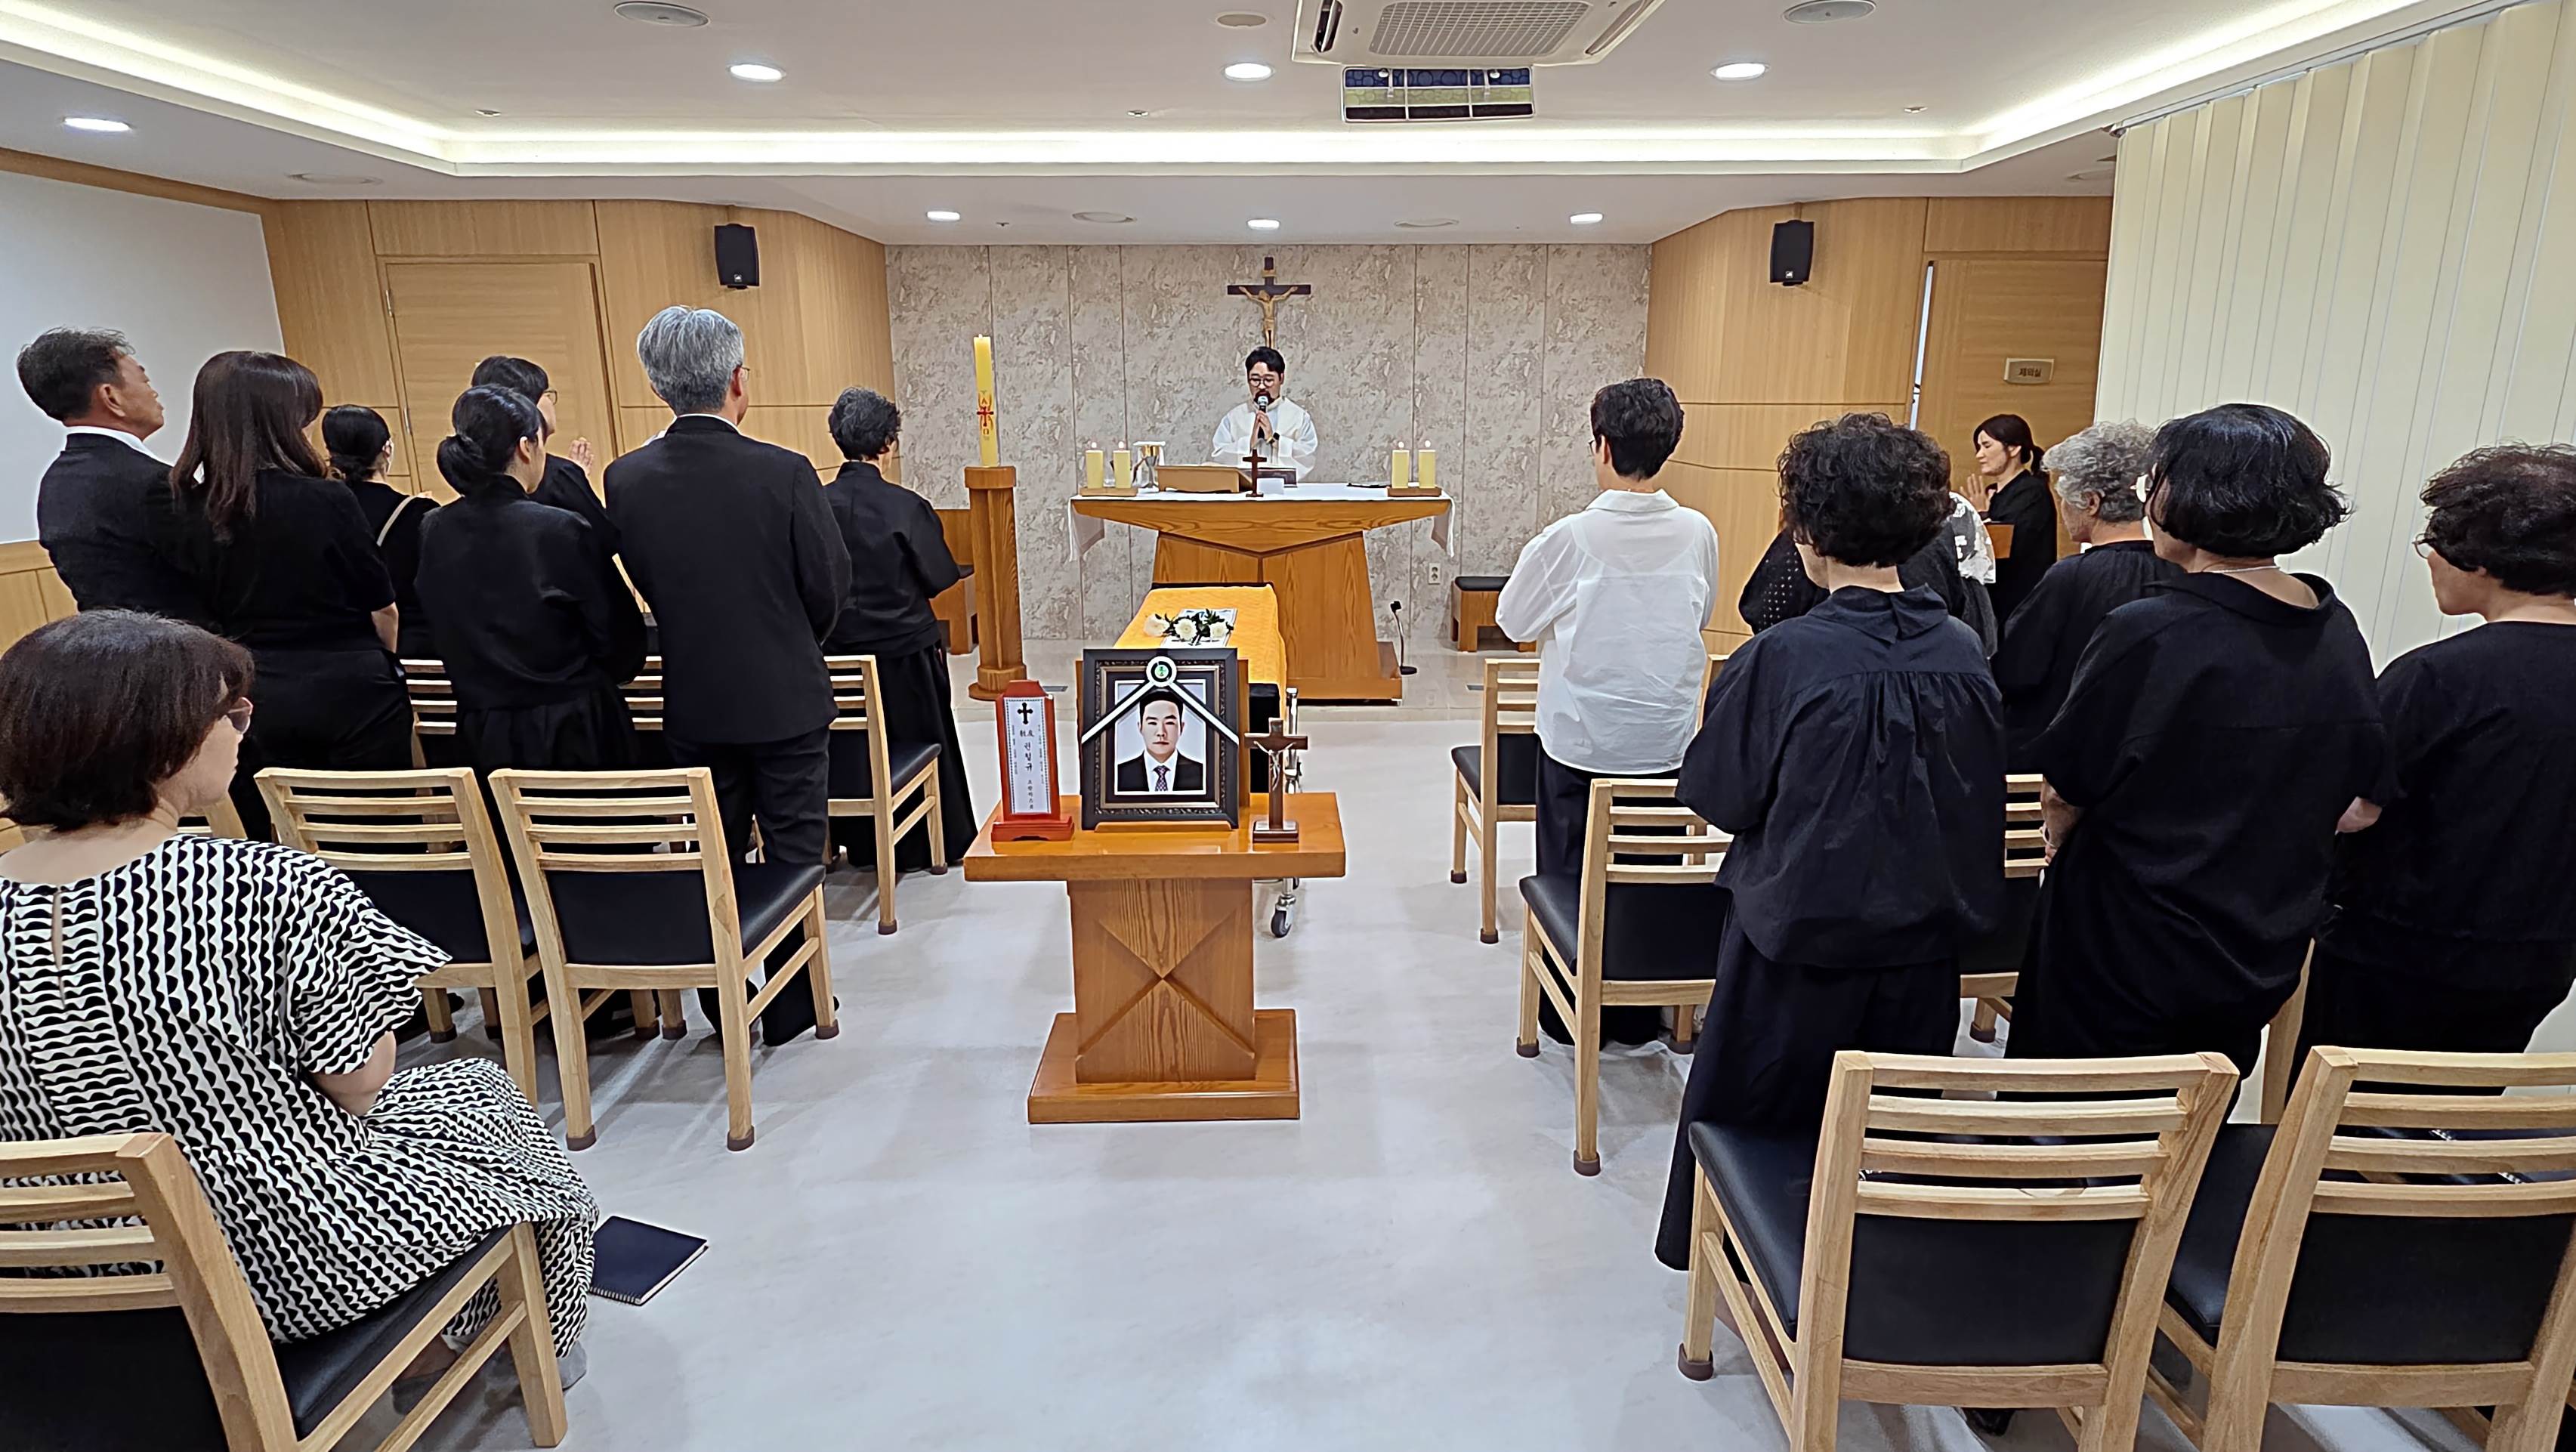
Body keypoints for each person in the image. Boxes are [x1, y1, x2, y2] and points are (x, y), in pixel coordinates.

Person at [0, 611, 597, 1379]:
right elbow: (358, 1083)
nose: (239, 732)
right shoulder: (263, 884)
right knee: (488, 1103)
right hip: (280, 1260)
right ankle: (512, 1345)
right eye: (229, 713)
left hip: (57, 1276)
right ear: (164, 739)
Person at [1655, 411, 2003, 1270]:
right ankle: (1874, 1273)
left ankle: (1751, 1266)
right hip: (1922, 951)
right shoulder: (1962, 651)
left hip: (1796, 947)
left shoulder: (1782, 657)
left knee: (1759, 1129)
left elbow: (1720, 796)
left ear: (1804, 531)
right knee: (1889, 1135)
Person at [2005, 404, 2388, 1076]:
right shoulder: (2333, 624)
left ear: (2190, 496)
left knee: (2082, 1103)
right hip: (2260, 927)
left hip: (2131, 932)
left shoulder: (2150, 630)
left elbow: (2070, 785)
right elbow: (2356, 800)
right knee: (2202, 1094)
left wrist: (2057, 840)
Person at [605, 307, 848, 1043]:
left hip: (695, 696)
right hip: (786, 693)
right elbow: (828, 584)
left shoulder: (625, 478)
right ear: (739, 381)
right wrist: (790, 639)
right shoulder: (784, 470)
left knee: (714, 851)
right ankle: (793, 1002)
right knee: (794, 849)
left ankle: (723, 992)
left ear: (657, 388)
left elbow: (644, 578)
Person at [2302, 444, 2576, 1065]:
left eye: (2434, 545)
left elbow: (2353, 810)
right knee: (2454, 1110)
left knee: (2341, 1111)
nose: (2429, 561)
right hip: (2541, 958)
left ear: (2479, 558)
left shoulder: (2439, 676)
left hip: (2399, 954)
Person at [1498, 377, 1718, 1044]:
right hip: (1666, 745)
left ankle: (1570, 1012)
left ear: (1602, 446)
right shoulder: (1698, 532)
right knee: (1649, 877)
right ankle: (1646, 1007)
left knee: (1573, 876)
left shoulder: (1571, 538)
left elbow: (1513, 620)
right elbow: (1698, 617)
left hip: (1582, 746)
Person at [147, 351, 412, 833]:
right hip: (351, 685)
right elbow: (383, 608)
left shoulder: (186, 506)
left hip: (253, 689)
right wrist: (384, 663)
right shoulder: (326, 497)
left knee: (282, 831)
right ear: (281, 419)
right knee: (376, 830)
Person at [415, 387, 644, 773]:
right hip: (573, 731)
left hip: (482, 733)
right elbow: (620, 641)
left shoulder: (432, 528)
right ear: (526, 447)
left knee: (498, 816)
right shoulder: (560, 529)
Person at [817, 386, 976, 868]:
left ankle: (860, 845)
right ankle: (933, 843)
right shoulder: (905, 506)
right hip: (905, 654)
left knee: (851, 747)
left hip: (835, 655)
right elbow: (940, 576)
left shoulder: (815, 504)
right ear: (887, 443)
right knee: (923, 738)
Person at [1989, 420, 2180, 769]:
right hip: (2149, 755)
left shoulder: (2070, 577)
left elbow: (2017, 672)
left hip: (2062, 755)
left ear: (2091, 502)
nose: (2062, 510)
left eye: (2065, 498)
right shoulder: (2177, 571)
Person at [16, 328, 202, 620]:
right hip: (182, 642)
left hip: (105, 642)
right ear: (111, 396)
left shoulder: (54, 482)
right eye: (145, 381)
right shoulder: (152, 483)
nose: (153, 393)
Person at [321, 404, 436, 660]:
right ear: (387, 449)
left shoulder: (322, 510)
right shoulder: (420, 512)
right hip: (414, 644)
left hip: (347, 647)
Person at [470, 354, 615, 551]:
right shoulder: (558, 474)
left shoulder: (474, 473)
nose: (550, 401)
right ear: (526, 405)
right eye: (546, 393)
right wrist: (574, 478)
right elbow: (606, 539)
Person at [1975, 413, 2057, 624]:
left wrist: (1983, 515)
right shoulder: (1995, 492)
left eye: (1987, 446)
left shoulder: (2032, 492)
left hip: (2018, 604)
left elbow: (2007, 548)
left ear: (2013, 449)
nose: (1979, 455)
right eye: (1979, 447)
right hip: (1995, 601)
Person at [1210, 346, 1317, 480]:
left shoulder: (1298, 416)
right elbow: (1218, 455)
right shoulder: (1234, 418)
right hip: (1245, 490)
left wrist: (1274, 441)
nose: (1261, 386)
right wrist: (1248, 443)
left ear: (1281, 378)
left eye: (1268, 380)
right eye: (1255, 380)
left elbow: (1308, 455)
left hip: (1285, 490)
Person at [1115, 696, 1204, 794]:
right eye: (1153, 723)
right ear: (1140, 727)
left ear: (1181, 728)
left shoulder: (1203, 774)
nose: (1161, 732)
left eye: (1169, 723)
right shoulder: (1118, 775)